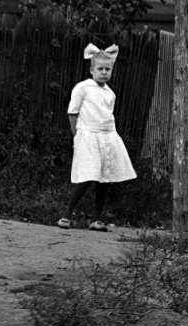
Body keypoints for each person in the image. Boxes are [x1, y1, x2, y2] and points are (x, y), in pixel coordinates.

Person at [57, 42, 137, 231]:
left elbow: (108, 115)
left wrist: (112, 136)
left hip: (107, 137)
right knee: (89, 175)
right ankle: (67, 215)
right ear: (92, 70)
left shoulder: (110, 93)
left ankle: (97, 218)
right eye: (100, 69)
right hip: (88, 135)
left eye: (107, 69)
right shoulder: (83, 88)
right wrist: (76, 134)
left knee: (105, 177)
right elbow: (73, 112)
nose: (104, 72)